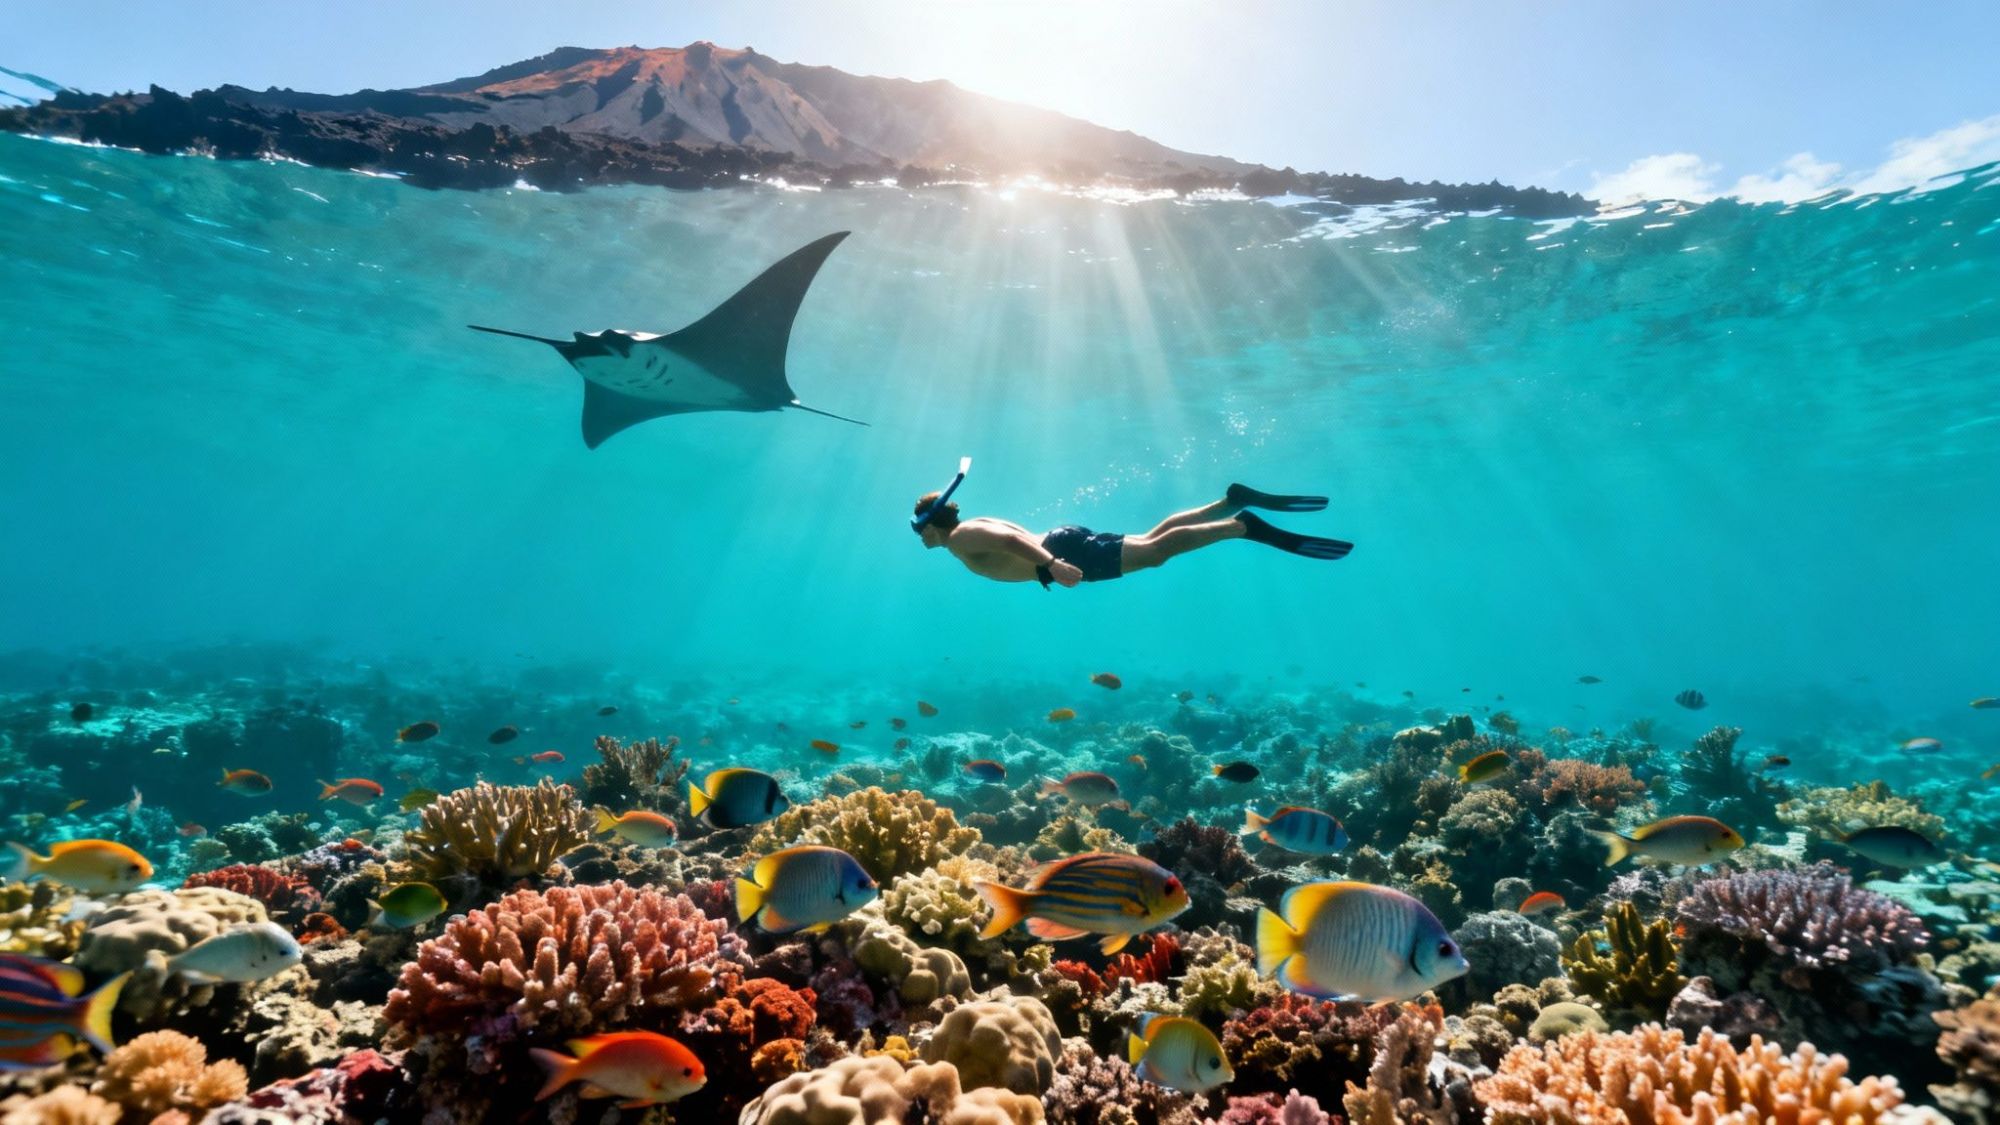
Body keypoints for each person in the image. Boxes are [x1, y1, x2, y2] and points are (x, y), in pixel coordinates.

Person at [912, 470, 1352, 588]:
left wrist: (1053, 565)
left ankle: (1238, 525)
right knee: (1149, 539)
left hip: (1060, 555)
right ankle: (1228, 502)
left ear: (934, 524)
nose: (920, 538)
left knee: (1156, 554)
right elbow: (1010, 537)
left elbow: (1011, 541)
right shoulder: (971, 525)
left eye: (920, 530)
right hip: (1061, 543)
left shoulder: (960, 538)